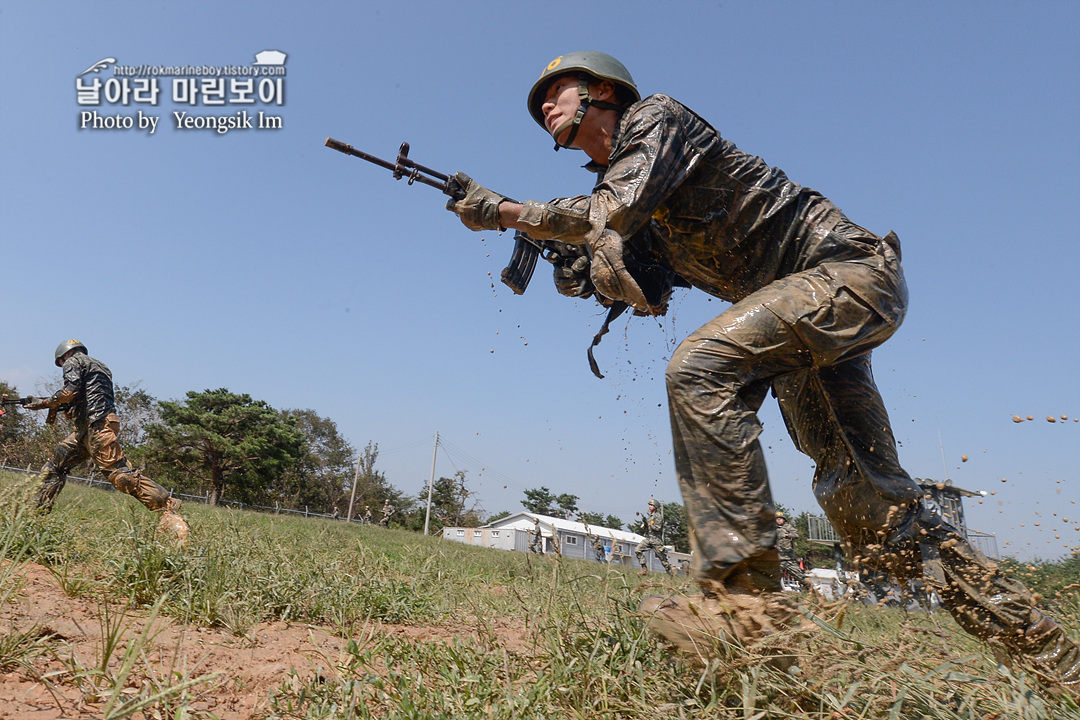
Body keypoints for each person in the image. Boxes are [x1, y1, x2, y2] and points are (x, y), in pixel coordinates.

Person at [445, 51, 1079, 685]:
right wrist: (584, 271)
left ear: (604, 91)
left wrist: (507, 210)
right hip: (800, 314)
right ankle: (1055, 659)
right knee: (870, 509)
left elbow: (605, 212)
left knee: (699, 368)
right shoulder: (641, 206)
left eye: (557, 90)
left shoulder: (657, 120)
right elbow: (646, 288)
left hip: (850, 275)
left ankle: (745, 609)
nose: (545, 106)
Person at [20, 340, 188, 539]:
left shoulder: (73, 362)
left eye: (61, 362)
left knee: (120, 475)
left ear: (65, 355)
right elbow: (89, 395)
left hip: (97, 426)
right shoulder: (100, 366)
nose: (63, 366)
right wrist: (71, 408)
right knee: (55, 466)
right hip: (87, 429)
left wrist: (44, 402)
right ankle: (35, 516)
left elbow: (69, 391)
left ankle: (167, 506)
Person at [634, 499, 673, 575]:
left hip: (656, 541)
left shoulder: (658, 516)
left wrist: (650, 524)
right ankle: (644, 570)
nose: (649, 506)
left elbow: (658, 528)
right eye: (649, 505)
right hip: (649, 539)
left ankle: (671, 575)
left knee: (663, 560)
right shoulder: (650, 517)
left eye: (651, 505)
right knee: (637, 550)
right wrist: (645, 522)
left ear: (655, 507)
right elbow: (646, 528)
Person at [774, 512, 805, 590]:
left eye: (780, 518)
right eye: (777, 518)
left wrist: (786, 535)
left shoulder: (788, 527)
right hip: (777, 559)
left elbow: (796, 535)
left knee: (800, 576)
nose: (778, 520)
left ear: (784, 520)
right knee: (773, 578)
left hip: (788, 558)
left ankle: (811, 589)